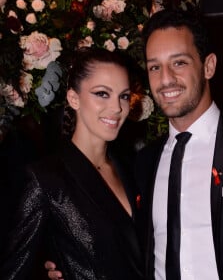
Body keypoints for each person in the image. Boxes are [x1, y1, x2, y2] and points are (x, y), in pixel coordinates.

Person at [46, 8, 223, 280]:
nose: (165, 79)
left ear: (208, 65)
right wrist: (67, 262)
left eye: (179, 63)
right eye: (155, 66)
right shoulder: (143, 164)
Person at [0, 47, 144, 280]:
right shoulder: (46, 179)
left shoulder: (134, 169)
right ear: (73, 98)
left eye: (124, 96)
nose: (117, 108)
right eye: (102, 94)